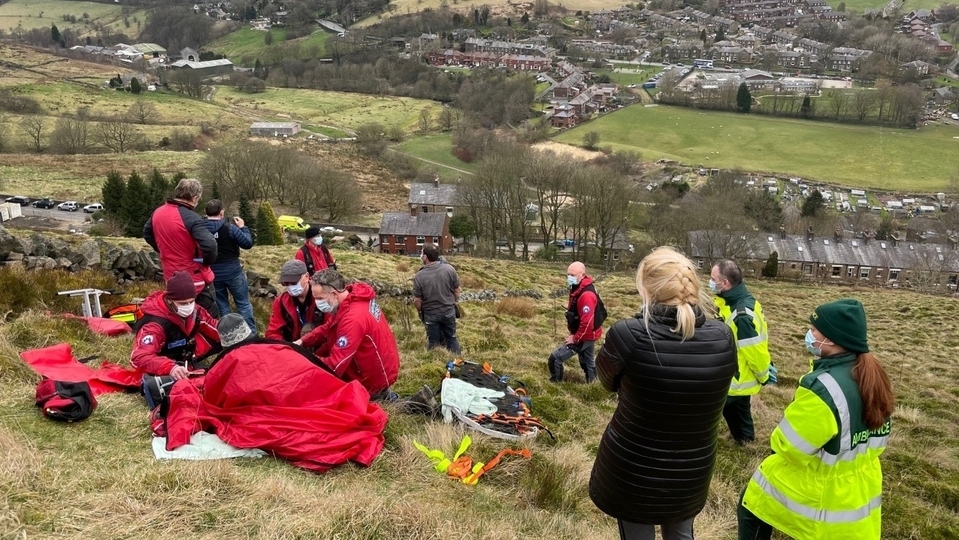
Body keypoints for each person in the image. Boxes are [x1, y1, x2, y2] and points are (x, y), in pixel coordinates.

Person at [589, 247, 737, 540]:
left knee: (636, 533)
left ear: (646, 288)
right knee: (682, 533)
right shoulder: (723, 337)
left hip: (633, 466)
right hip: (692, 467)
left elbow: (606, 380)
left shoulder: (628, 334)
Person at [738, 299, 894, 540]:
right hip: (861, 484)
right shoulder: (873, 375)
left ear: (831, 339)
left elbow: (789, 447)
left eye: (813, 330)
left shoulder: (823, 389)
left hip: (823, 489)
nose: (808, 334)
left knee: (753, 502)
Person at [296, 269, 399, 400]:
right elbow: (328, 327)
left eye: (319, 298)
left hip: (371, 379)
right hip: (375, 366)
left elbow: (335, 366)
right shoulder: (351, 300)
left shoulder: (352, 319)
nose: (317, 303)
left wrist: (305, 358)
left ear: (334, 294)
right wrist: (302, 341)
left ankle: (399, 400)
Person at [710, 259, 776, 444]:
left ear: (725, 283)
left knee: (720, 411)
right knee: (738, 412)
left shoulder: (741, 314)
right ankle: (745, 440)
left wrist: (764, 376)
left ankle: (745, 441)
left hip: (736, 378)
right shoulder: (741, 301)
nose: (710, 281)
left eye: (712, 278)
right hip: (735, 376)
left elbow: (753, 350)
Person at [131, 271, 221, 407]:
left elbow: (212, 326)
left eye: (192, 301)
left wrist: (237, 338)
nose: (189, 307)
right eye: (183, 303)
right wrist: (170, 367)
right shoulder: (154, 324)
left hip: (185, 353)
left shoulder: (194, 310)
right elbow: (139, 357)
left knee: (224, 338)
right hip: (164, 360)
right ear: (169, 299)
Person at [143, 177, 219, 317]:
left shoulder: (158, 212)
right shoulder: (192, 218)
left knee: (178, 316)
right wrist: (206, 261)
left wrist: (163, 251)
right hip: (194, 277)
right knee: (209, 317)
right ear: (195, 198)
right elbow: (210, 245)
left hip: (171, 276)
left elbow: (147, 233)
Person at [204, 199, 256, 334]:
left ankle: (231, 335)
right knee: (243, 304)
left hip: (213, 272)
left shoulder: (200, 229)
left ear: (206, 213)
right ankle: (250, 334)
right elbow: (247, 243)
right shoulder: (230, 228)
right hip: (233, 270)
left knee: (223, 307)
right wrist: (243, 227)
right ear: (221, 213)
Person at [548, 261, 605, 383]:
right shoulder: (579, 287)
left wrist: (576, 338)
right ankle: (593, 384)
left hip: (586, 335)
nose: (569, 278)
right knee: (588, 360)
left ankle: (555, 384)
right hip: (589, 334)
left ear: (583, 275)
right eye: (568, 275)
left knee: (555, 358)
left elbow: (587, 322)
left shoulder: (586, 295)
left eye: (573, 275)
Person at [412, 244, 461, 354]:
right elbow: (457, 290)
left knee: (433, 343)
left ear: (425, 257)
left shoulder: (419, 276)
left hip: (430, 314)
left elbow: (417, 300)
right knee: (452, 339)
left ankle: (435, 364)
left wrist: (420, 310)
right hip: (449, 311)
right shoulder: (450, 269)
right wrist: (453, 302)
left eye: (422, 253)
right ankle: (458, 363)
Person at [265, 260, 325, 344]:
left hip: (319, 348)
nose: (290, 287)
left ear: (307, 277)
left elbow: (330, 329)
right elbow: (273, 332)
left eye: (293, 282)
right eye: (286, 283)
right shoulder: (281, 302)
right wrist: (286, 349)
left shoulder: (323, 297)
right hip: (291, 348)